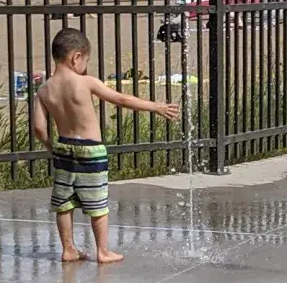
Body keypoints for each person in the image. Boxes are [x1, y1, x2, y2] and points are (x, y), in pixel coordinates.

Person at [29, 26, 181, 264]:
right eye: (85, 61)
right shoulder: (85, 82)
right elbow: (121, 99)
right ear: (75, 57)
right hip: (91, 150)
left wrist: (52, 147)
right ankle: (102, 250)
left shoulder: (44, 89)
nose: (85, 67)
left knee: (63, 202)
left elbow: (39, 128)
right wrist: (156, 107)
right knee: (98, 202)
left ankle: (68, 249)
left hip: (64, 149)